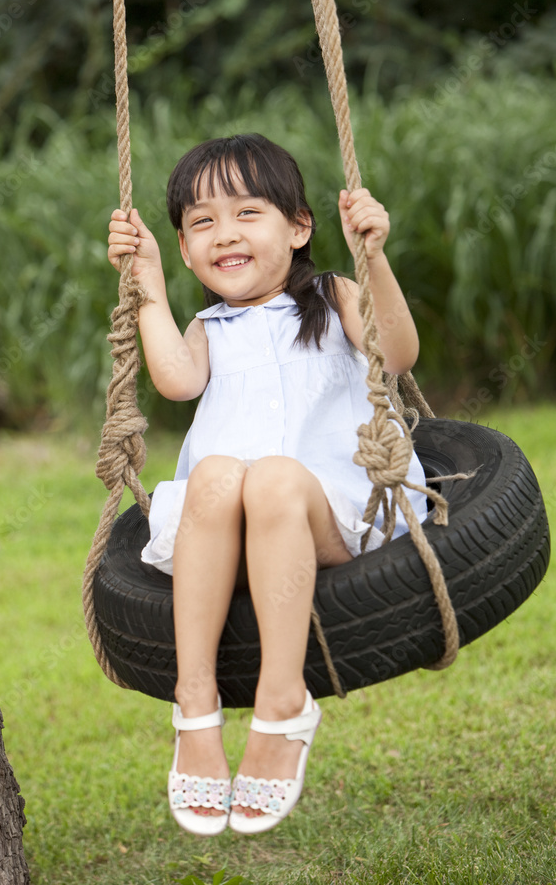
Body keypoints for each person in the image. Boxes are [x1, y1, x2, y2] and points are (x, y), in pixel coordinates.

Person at [107, 133, 427, 837]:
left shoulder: (332, 294)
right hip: (226, 524)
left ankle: (283, 699)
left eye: (247, 213)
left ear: (298, 226)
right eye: (200, 223)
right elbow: (174, 380)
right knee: (216, 475)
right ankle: (195, 703)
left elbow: (395, 353)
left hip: (331, 508)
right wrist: (148, 285)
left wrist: (371, 256)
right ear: (188, 250)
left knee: (276, 479)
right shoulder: (206, 327)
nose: (224, 234)